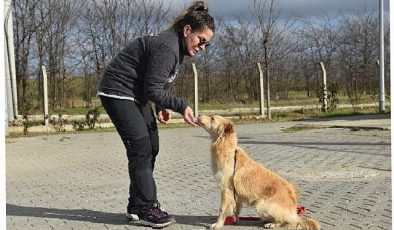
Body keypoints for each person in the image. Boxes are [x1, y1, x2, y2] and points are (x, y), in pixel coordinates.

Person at [97, 1, 215, 228]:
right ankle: (147, 207)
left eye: (207, 45)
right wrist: (181, 105)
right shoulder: (167, 47)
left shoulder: (177, 48)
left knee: (152, 144)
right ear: (187, 30)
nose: (202, 47)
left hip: (135, 93)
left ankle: (136, 205)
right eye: (201, 41)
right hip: (118, 90)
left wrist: (161, 105)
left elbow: (154, 83)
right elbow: (152, 89)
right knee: (140, 146)